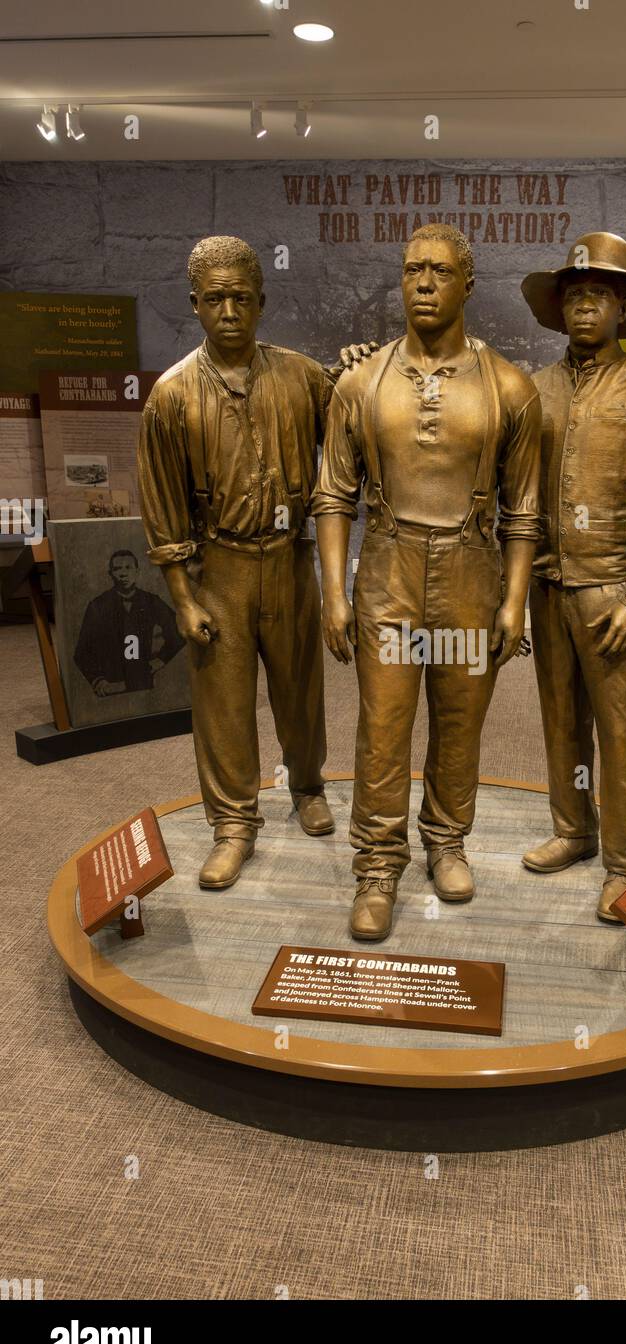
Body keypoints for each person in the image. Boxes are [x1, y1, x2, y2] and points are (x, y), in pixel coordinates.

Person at [313, 223, 543, 942]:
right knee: (383, 727)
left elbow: (525, 508)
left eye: (440, 271)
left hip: (470, 575)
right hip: (388, 571)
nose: (422, 282)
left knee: (459, 720)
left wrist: (514, 600)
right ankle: (378, 866)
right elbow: (332, 495)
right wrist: (333, 593)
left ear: (467, 284)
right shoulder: (361, 381)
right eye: (412, 269)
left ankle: (446, 839)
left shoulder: (509, 386)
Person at [137, 234, 375, 890]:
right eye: (215, 299)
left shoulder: (303, 376)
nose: (230, 311)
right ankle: (233, 822)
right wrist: (183, 597)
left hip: (293, 558)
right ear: (195, 305)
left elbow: (358, 431)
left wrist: (357, 370)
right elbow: (159, 505)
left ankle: (307, 786)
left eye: (242, 298)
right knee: (224, 701)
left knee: (301, 688)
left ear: (262, 302)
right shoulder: (172, 395)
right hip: (220, 565)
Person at [520, 232, 626, 923]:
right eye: (575, 295)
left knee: (622, 733)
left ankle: (625, 863)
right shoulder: (536, 388)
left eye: (598, 294)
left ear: (623, 307)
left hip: (611, 589)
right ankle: (573, 829)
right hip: (548, 582)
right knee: (561, 720)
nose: (584, 306)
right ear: (560, 309)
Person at [74, 548, 184, 696]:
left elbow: (180, 630)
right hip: (111, 683)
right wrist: (97, 680)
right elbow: (82, 652)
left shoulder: (151, 601)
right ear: (110, 574)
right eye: (117, 569)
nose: (123, 573)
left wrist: (161, 660)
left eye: (128, 568)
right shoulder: (98, 605)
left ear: (137, 571)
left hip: (142, 681)